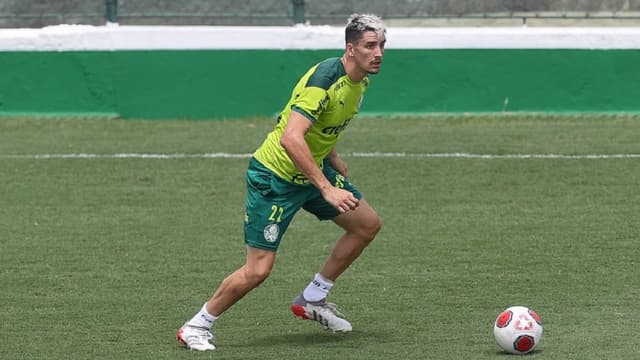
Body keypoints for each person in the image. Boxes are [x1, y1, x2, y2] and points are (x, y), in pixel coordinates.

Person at [177, 13, 387, 351]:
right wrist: (326, 187)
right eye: (369, 46)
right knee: (258, 271)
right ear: (350, 49)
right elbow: (291, 137)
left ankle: (313, 298)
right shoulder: (325, 80)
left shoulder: (360, 80)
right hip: (274, 177)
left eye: (381, 46)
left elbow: (322, 124)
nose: (378, 53)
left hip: (310, 169)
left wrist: (332, 157)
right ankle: (196, 325)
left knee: (366, 224)